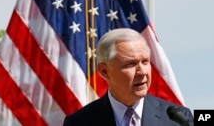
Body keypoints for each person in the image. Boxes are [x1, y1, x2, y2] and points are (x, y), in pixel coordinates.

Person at [63, 28, 193, 126]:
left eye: (145, 62)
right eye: (130, 64)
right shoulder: (78, 122)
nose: (142, 71)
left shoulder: (178, 119)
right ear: (104, 71)